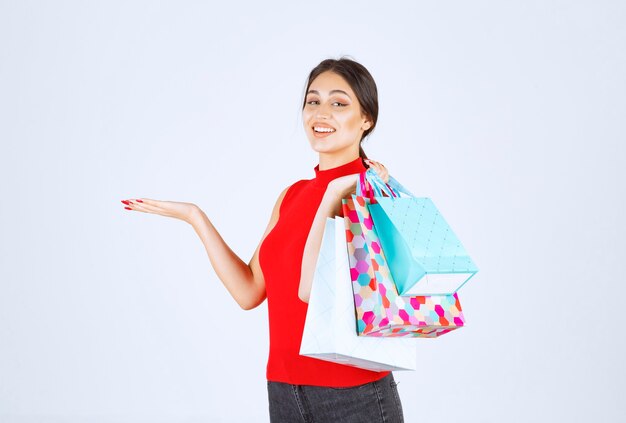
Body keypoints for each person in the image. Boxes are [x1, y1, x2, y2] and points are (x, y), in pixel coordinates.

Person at [120, 56, 405, 423]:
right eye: (312, 101)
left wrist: (335, 195)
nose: (321, 112)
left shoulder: (372, 194)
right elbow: (249, 291)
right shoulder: (292, 195)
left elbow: (310, 291)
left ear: (366, 119)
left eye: (339, 103)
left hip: (355, 397)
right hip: (284, 392)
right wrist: (195, 217)